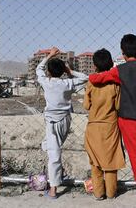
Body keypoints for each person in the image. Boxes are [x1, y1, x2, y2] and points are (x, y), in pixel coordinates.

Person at [89, 34, 136, 207]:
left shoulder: (119, 71)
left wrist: (94, 74)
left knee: (135, 154)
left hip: (126, 120)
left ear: (122, 52)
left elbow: (96, 78)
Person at [36, 47, 88, 199]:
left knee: (54, 153)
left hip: (52, 123)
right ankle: (58, 172)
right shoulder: (67, 84)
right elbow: (85, 78)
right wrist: (70, 71)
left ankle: (53, 189)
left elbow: (39, 68)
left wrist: (49, 56)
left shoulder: (46, 82)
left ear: (49, 72)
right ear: (62, 72)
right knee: (51, 147)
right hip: (65, 120)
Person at [83, 48, 125, 200]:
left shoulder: (91, 83)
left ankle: (99, 193)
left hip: (93, 127)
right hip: (110, 127)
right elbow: (119, 105)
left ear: (95, 65)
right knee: (111, 162)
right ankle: (111, 193)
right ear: (111, 64)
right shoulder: (115, 84)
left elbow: (86, 106)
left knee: (95, 163)